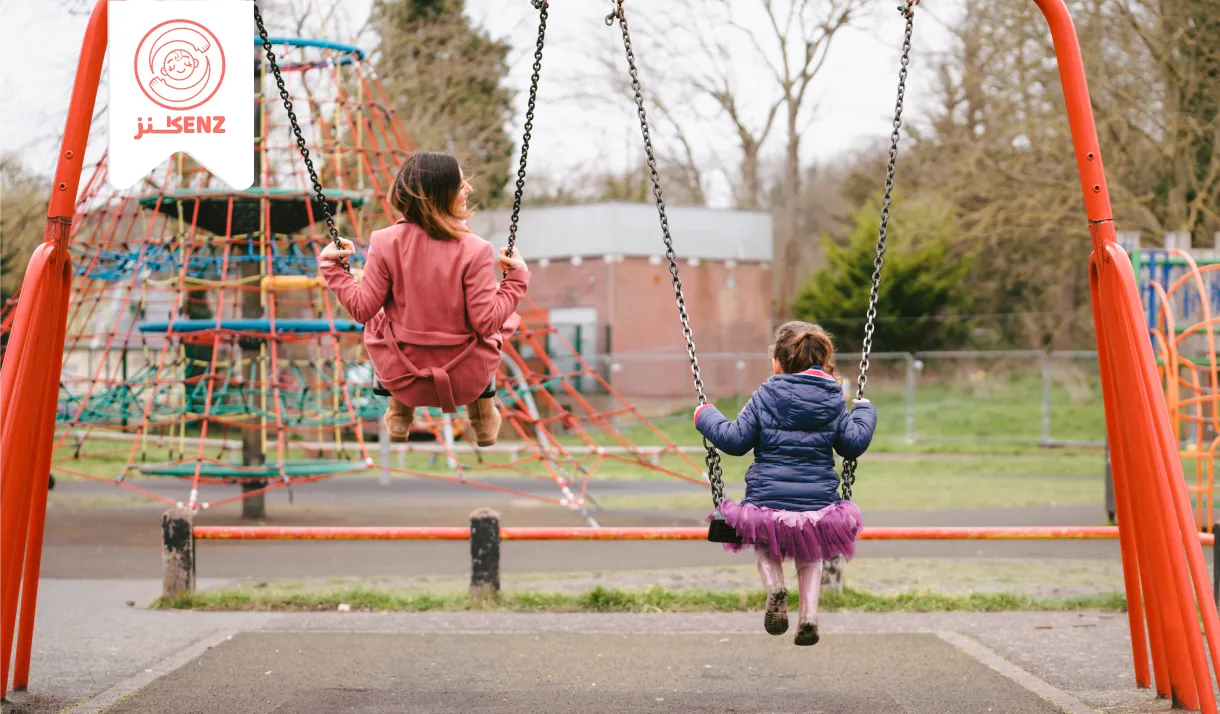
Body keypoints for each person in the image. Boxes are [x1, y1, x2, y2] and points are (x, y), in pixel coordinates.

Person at [318, 151, 529, 446]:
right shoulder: (477, 249)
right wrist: (516, 279)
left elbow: (362, 309)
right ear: (441, 194)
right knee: (502, 314)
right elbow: (486, 323)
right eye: (460, 184)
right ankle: (482, 417)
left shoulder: (383, 241)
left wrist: (333, 267)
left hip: (401, 377)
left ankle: (399, 413)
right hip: (467, 379)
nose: (468, 189)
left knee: (380, 316)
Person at [694, 321, 877, 646]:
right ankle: (809, 615)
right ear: (823, 360)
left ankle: (775, 587)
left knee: (765, 545)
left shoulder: (766, 394)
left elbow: (734, 440)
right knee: (811, 555)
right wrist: (865, 411)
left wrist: (705, 415)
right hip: (818, 506)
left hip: (768, 503)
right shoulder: (833, 398)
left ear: (778, 362)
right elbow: (852, 445)